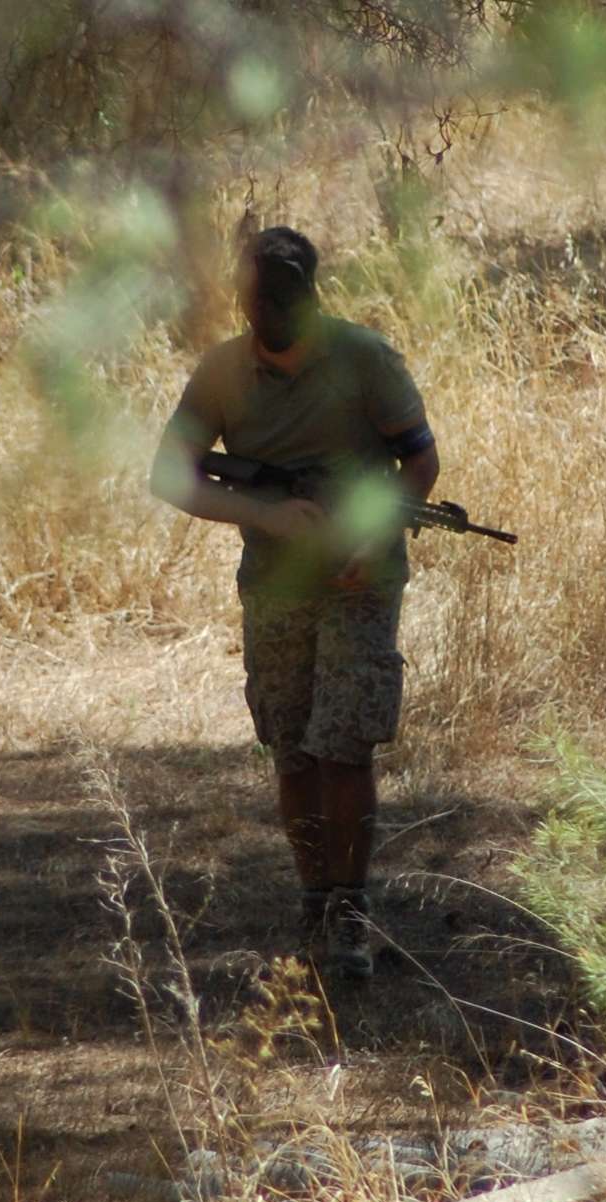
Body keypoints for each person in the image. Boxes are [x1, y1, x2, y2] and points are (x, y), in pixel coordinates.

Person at [150, 225, 439, 979]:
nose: (270, 313)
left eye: (284, 299)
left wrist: (368, 538)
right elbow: (170, 475)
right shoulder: (222, 372)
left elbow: (419, 460)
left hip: (358, 581)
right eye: (258, 299)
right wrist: (266, 513)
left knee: (343, 746)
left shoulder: (365, 360)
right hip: (276, 587)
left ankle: (349, 908)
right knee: (293, 748)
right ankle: (314, 899)